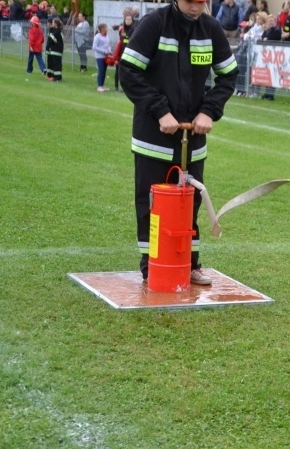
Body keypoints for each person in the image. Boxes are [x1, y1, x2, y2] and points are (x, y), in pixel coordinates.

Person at [119, 0, 238, 285]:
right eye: (190, 2)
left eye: (201, 2)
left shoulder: (210, 29)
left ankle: (190, 263)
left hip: (192, 140)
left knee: (190, 203)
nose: (196, 8)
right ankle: (153, 264)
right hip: (153, 138)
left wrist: (208, 111)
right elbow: (129, 72)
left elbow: (228, 75)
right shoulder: (154, 24)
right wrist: (160, 111)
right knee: (152, 206)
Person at [115, 12, 136, 91]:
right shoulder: (122, 29)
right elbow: (121, 41)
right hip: (121, 52)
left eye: (129, 19)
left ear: (132, 20)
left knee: (129, 71)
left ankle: (128, 88)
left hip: (130, 53)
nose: (128, 21)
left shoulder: (134, 29)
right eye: (126, 19)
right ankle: (116, 87)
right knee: (118, 70)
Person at [92, 23, 112, 92]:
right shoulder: (97, 36)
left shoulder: (107, 36)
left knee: (104, 71)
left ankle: (102, 85)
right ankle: (99, 86)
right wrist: (104, 51)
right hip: (99, 56)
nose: (107, 29)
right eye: (106, 27)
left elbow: (109, 44)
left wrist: (109, 50)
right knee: (101, 70)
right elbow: (94, 47)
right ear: (102, 29)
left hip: (106, 57)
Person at [44, 16, 63, 81]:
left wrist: (50, 35)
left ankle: (57, 77)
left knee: (56, 65)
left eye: (52, 22)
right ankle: (52, 76)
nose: (52, 23)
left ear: (56, 24)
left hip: (57, 50)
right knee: (52, 63)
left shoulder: (57, 32)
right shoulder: (55, 31)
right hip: (53, 50)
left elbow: (53, 40)